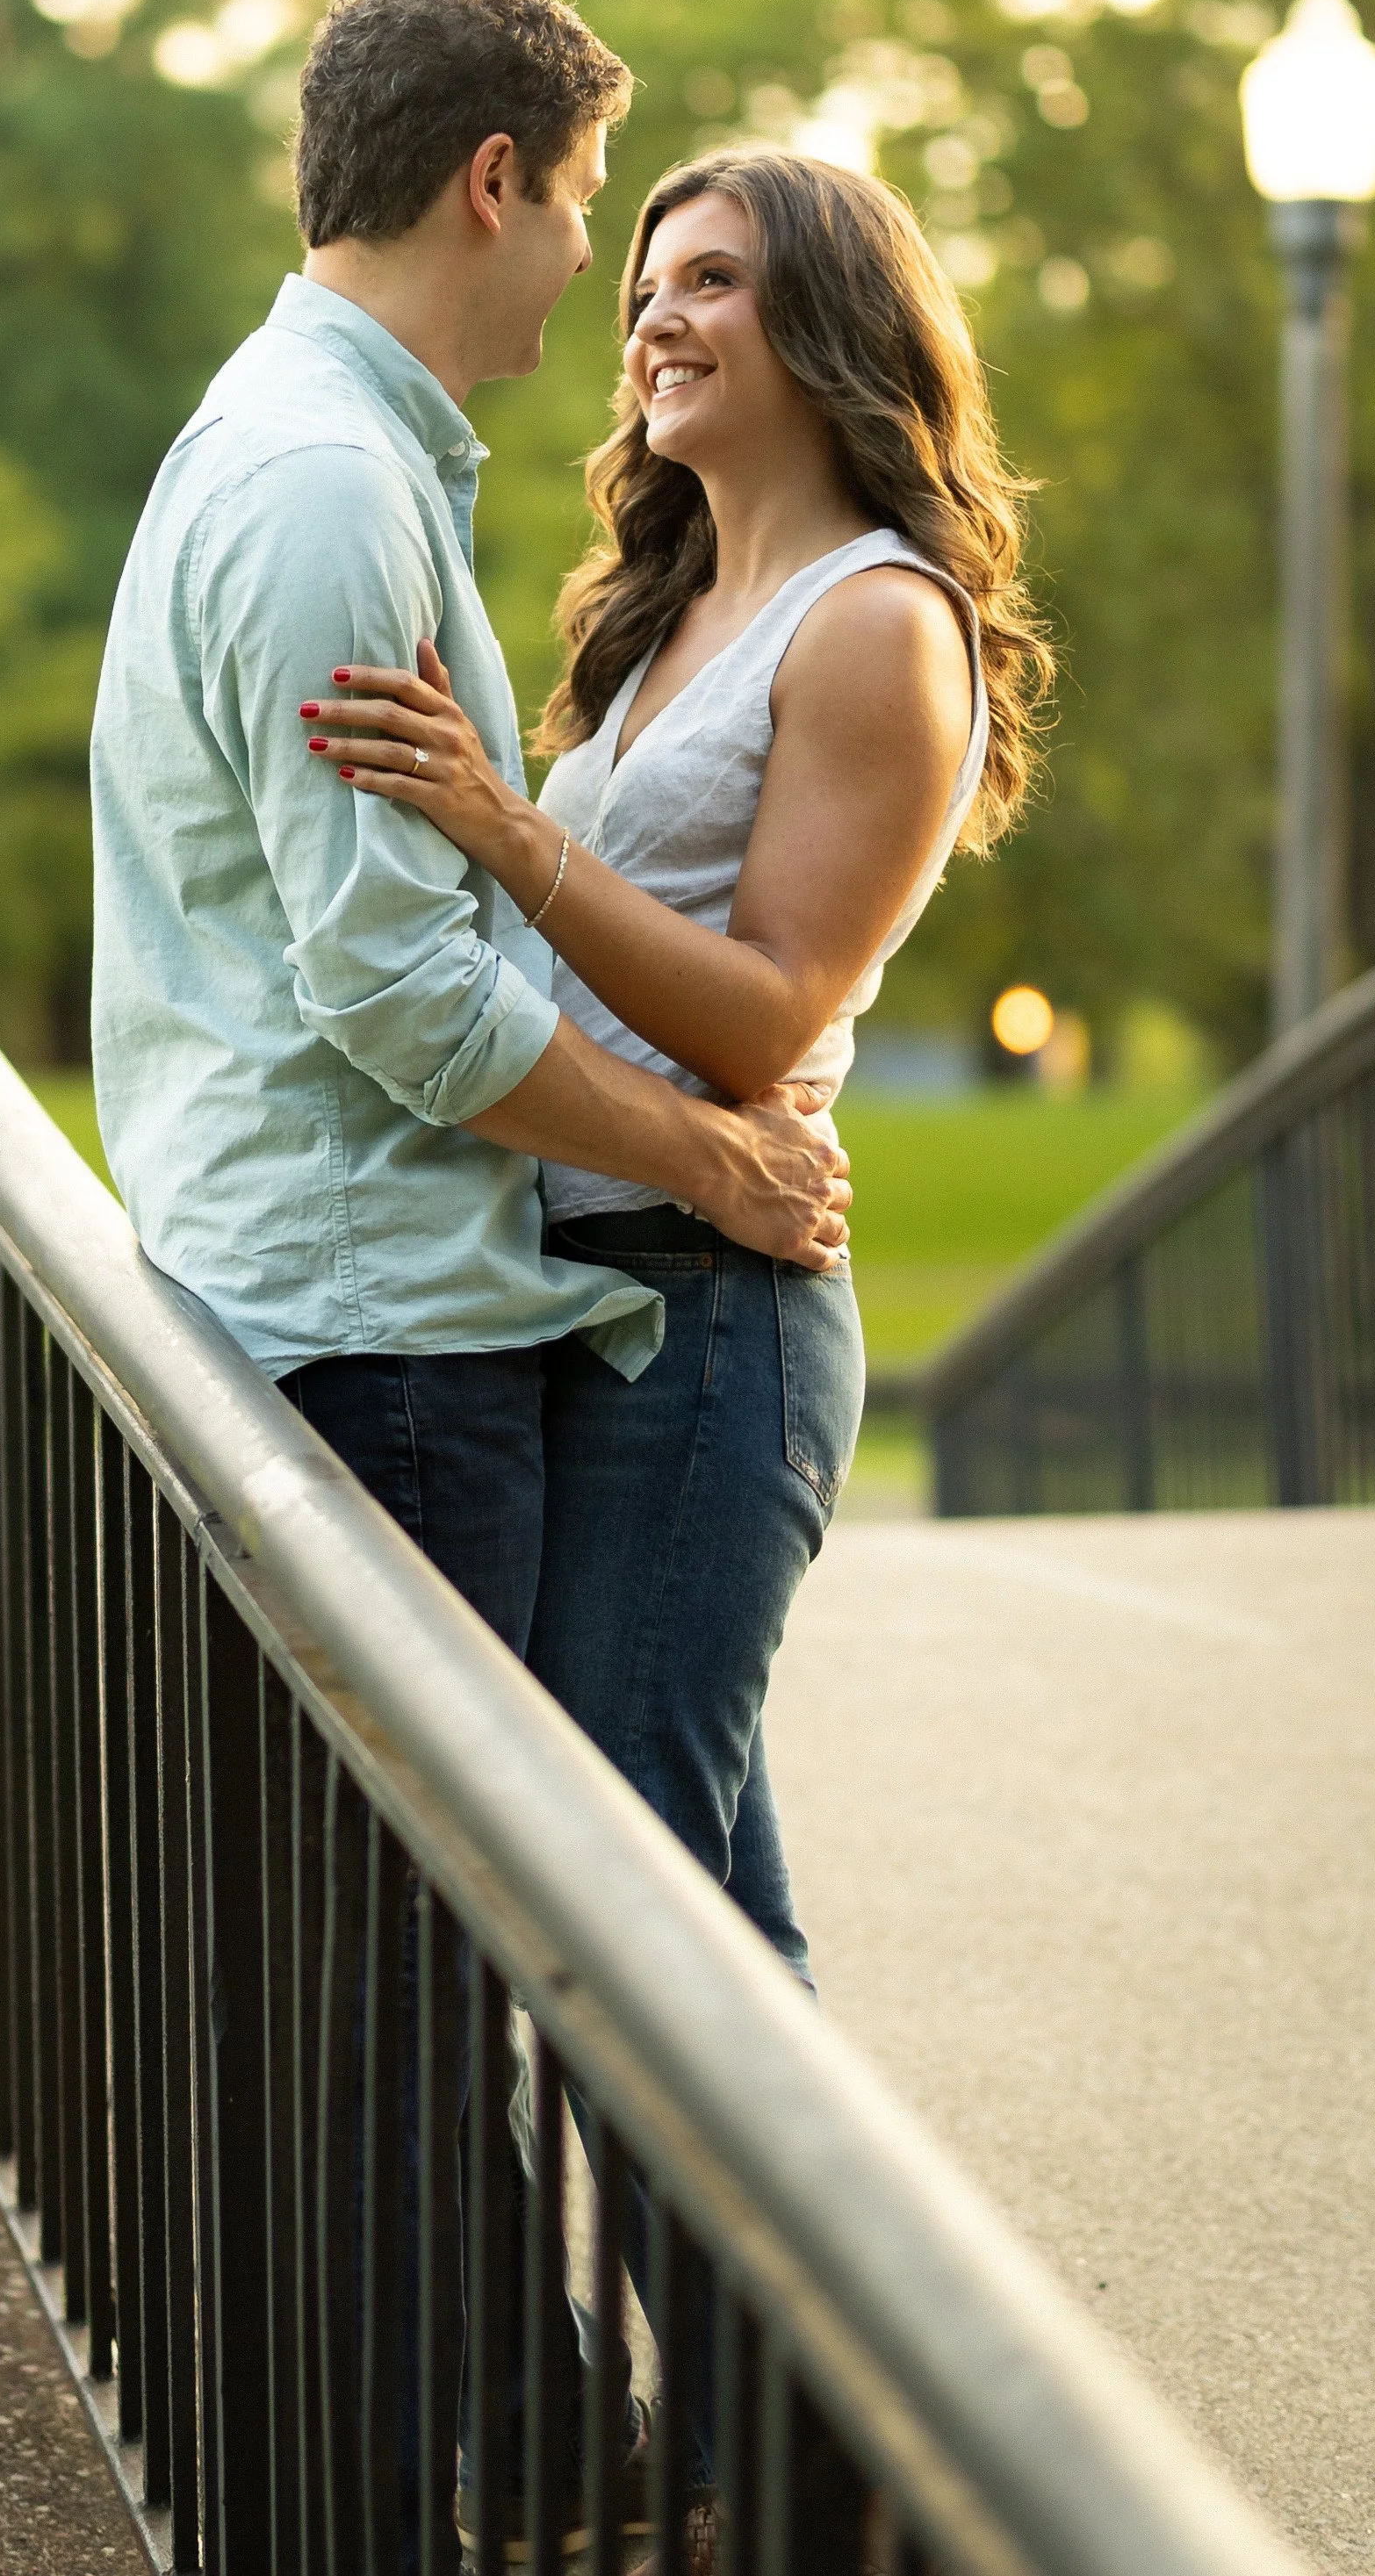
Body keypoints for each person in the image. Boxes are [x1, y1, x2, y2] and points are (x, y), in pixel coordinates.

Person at [91, 0, 849, 2567]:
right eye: (584, 226)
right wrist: (710, 1161)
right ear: (494, 181)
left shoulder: (317, 451)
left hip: (381, 1301)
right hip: (386, 1324)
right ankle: (558, 2475)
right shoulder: (326, 485)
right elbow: (397, 992)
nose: (597, 306)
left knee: (478, 1942)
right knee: (432, 1970)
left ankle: (676, 2441)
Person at [300, 139, 1049, 1986]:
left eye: (709, 278)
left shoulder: (877, 622)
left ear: (832, 321)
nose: (652, 316)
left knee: (625, 1871)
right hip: (590, 1289)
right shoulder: (663, 613)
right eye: (643, 284)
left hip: (712, 1316)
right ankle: (789, 2285)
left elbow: (774, 1008)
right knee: (691, 1885)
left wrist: (492, 821)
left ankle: (739, 2282)